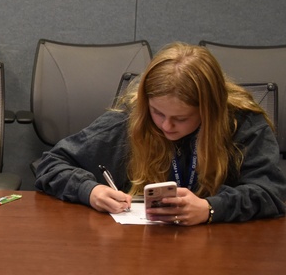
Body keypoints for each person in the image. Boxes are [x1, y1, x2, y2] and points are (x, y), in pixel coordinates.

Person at [35, 42, 286, 225]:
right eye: (158, 113)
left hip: (226, 248)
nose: (166, 126)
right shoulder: (132, 120)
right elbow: (51, 163)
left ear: (209, 110)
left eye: (181, 118)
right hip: (144, 247)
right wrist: (90, 191)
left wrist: (211, 208)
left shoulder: (242, 124)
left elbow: (272, 193)